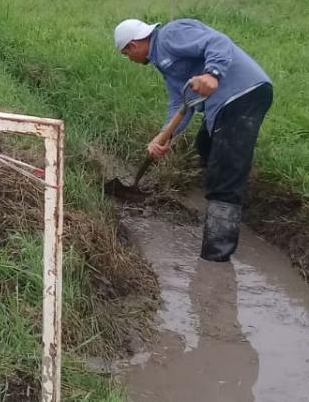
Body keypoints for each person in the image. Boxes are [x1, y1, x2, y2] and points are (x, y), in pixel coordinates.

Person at [114, 18, 273, 263]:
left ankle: (215, 255)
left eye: (127, 55)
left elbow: (217, 41)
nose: (131, 60)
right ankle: (225, 203)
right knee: (207, 147)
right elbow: (181, 102)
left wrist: (213, 73)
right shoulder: (163, 62)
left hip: (243, 93)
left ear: (134, 46)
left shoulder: (169, 36)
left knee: (225, 169)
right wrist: (164, 135)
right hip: (222, 105)